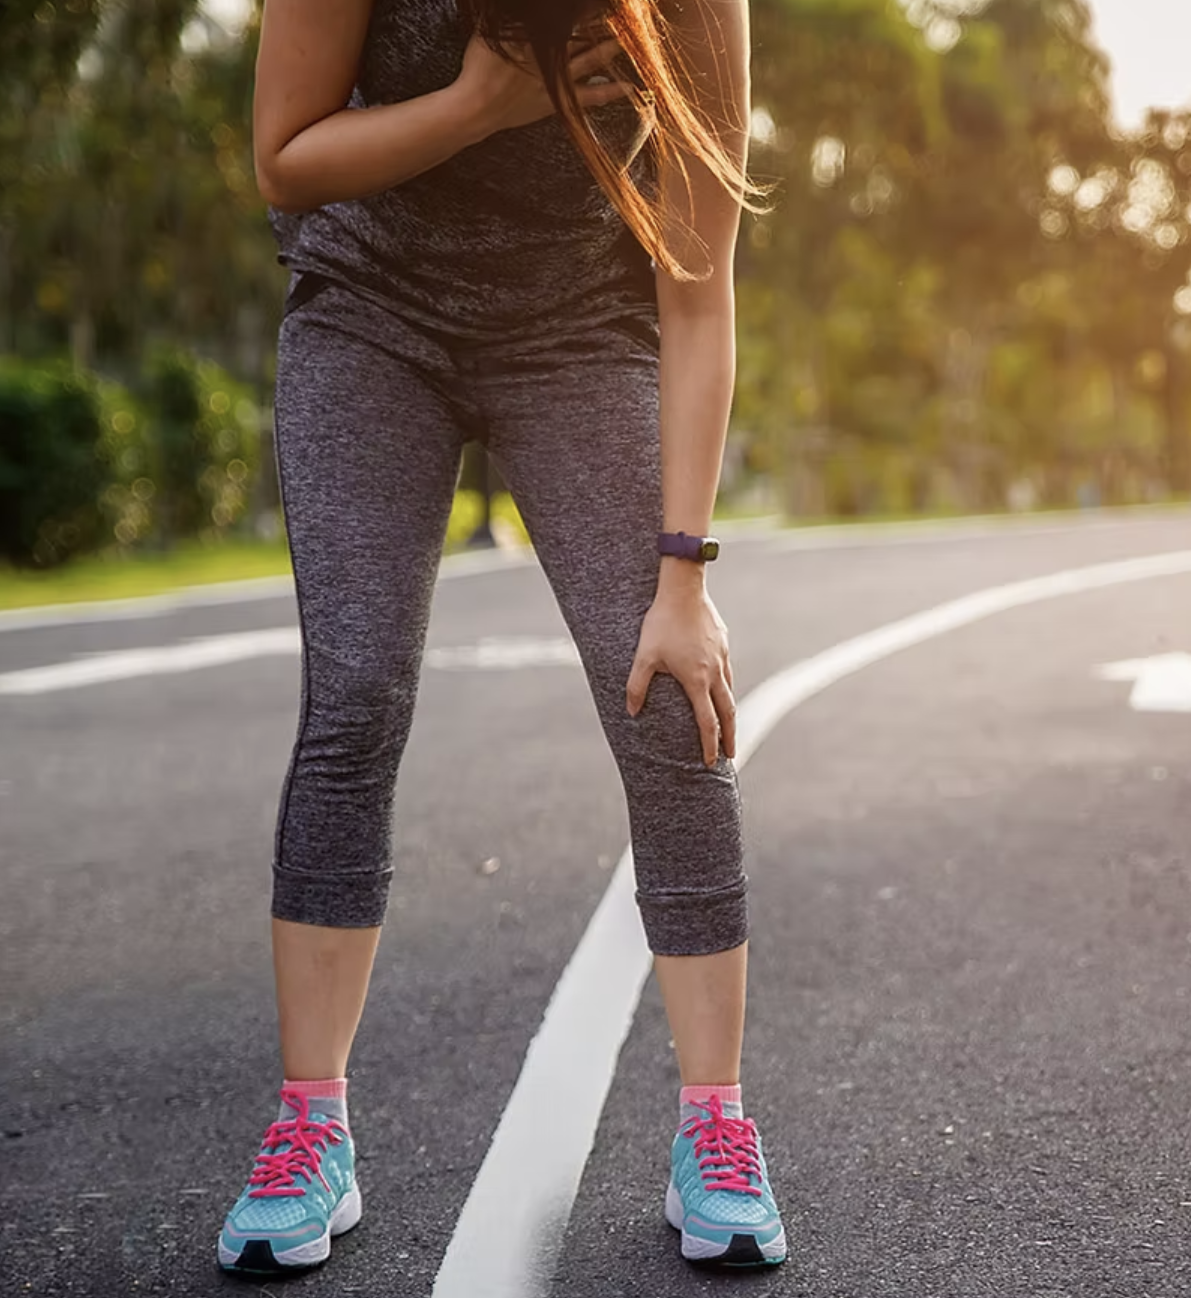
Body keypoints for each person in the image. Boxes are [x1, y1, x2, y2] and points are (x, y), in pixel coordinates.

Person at [217, 0, 783, 1275]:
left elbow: (698, 295)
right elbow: (284, 158)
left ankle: (717, 1127)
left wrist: (683, 575)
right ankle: (312, 1127)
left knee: (665, 689)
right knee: (357, 688)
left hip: (576, 327)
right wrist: (478, 105)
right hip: (371, 316)